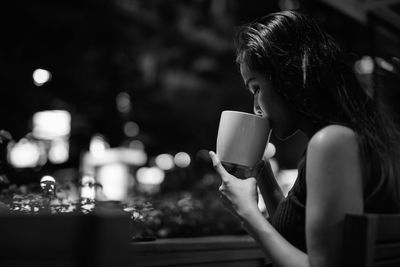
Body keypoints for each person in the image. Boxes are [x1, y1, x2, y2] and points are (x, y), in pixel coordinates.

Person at [209, 10, 400, 267]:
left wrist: (247, 213)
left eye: (256, 88)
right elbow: (296, 235)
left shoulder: (332, 142)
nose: (255, 107)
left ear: (288, 76)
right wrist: (259, 171)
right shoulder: (349, 137)